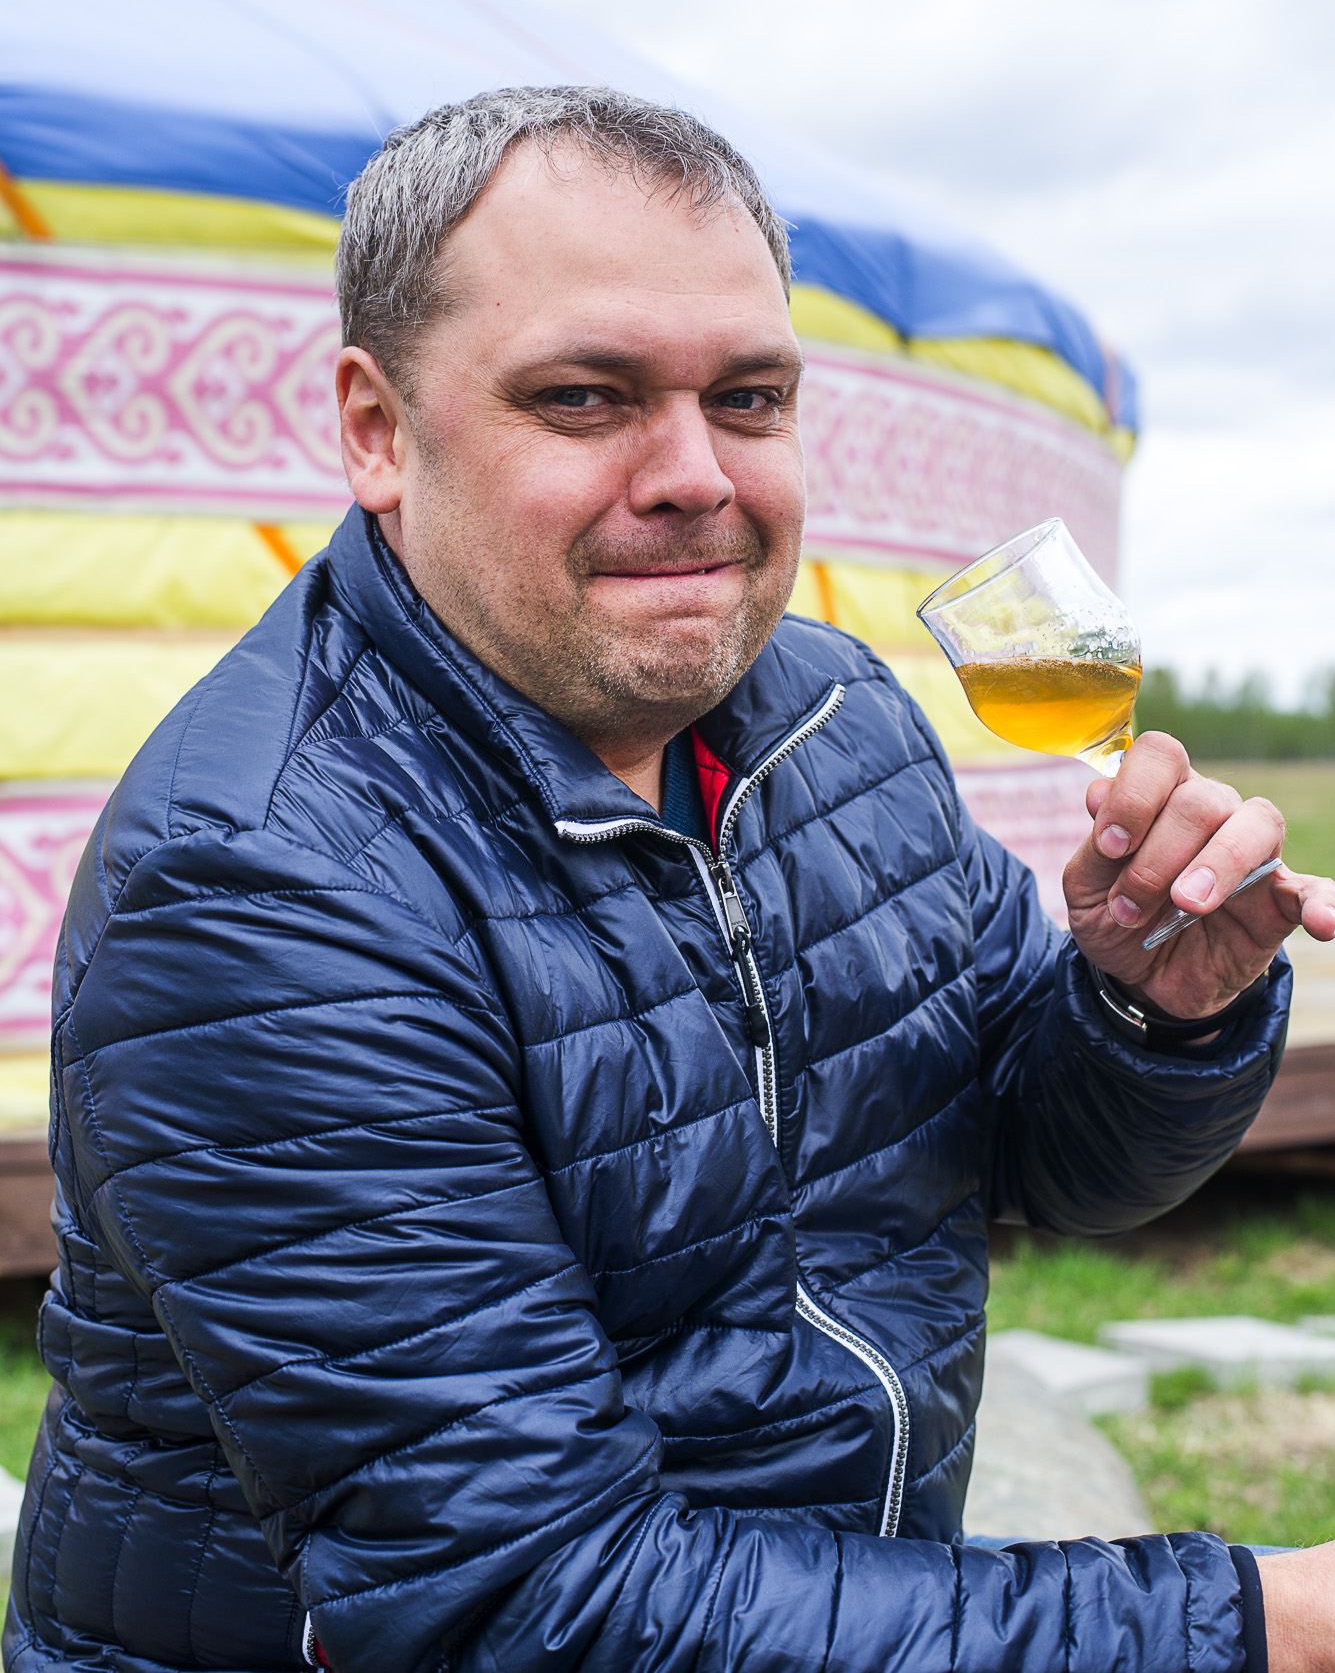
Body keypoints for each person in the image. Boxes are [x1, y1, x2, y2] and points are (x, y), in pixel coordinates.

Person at [8, 86, 1335, 1673]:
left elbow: (1058, 1163)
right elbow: (529, 1605)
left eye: (751, 397)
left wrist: (1154, 1017)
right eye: (586, 397)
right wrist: (1257, 1624)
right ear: (378, 429)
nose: (697, 473)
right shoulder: (262, 890)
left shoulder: (838, 719)